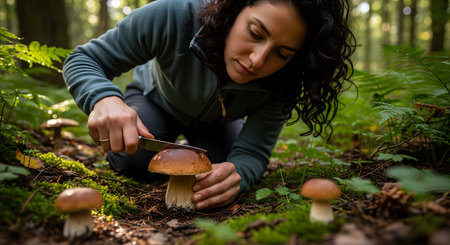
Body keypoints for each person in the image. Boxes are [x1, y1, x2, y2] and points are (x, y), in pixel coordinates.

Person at [63, 0, 356, 210]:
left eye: (282, 53)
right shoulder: (173, 15)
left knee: (215, 172)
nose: (258, 61)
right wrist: (105, 98)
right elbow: (84, 60)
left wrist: (238, 174)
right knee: (134, 157)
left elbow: (253, 152)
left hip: (219, 123)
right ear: (233, 9)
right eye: (255, 33)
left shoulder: (286, 80)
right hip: (155, 99)